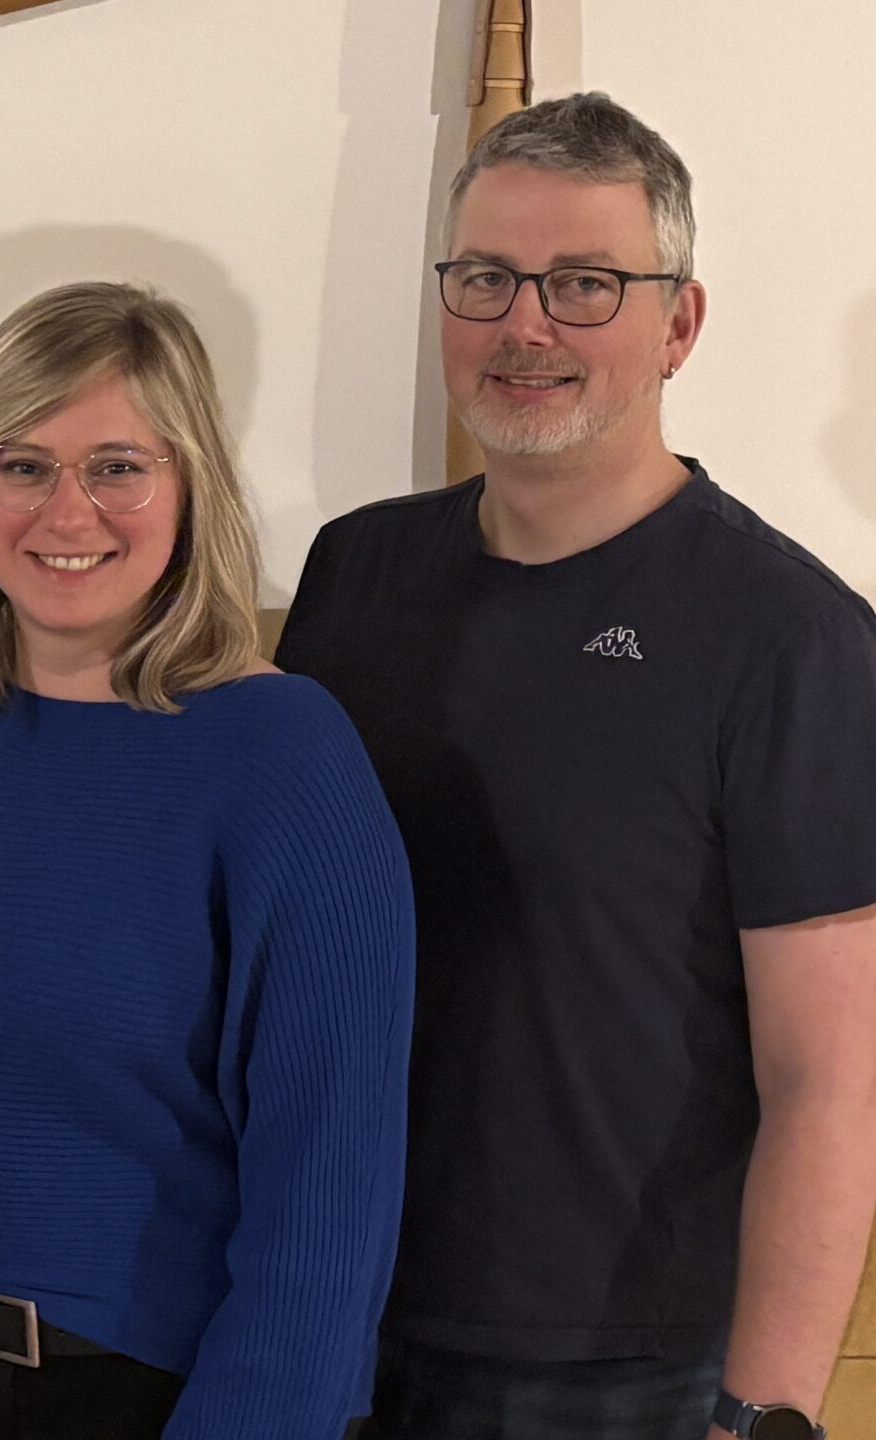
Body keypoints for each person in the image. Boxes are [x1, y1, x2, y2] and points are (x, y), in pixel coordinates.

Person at [278, 92, 876, 1440]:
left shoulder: (789, 637)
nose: (526, 325)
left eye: (585, 284)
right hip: (329, 1298)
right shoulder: (354, 576)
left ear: (679, 325)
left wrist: (765, 1416)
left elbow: (830, 1083)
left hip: (620, 1362)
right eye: (486, 278)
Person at [0, 281, 416, 1440]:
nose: (67, 511)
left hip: (174, 1400)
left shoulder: (284, 758)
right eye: (22, 465)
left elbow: (327, 1187)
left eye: (117, 467)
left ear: (191, 487)